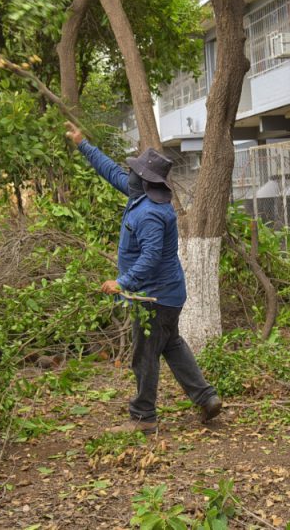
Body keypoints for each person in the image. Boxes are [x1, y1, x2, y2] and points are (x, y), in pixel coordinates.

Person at [65, 121, 221, 434]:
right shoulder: (141, 195)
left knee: (144, 354)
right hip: (164, 293)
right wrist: (83, 144)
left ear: (144, 180)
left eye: (135, 171)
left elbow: (150, 259)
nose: (130, 174)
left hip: (155, 296)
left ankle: (143, 417)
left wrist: (122, 282)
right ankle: (206, 397)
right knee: (171, 344)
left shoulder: (150, 213)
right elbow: (111, 172)